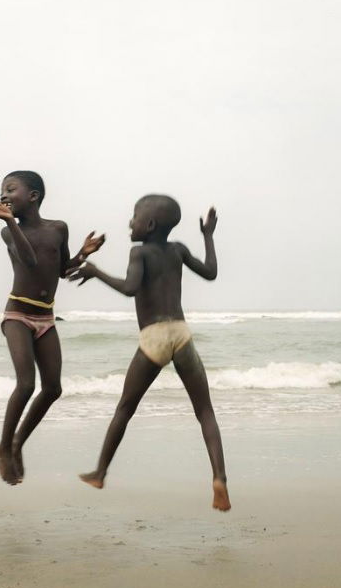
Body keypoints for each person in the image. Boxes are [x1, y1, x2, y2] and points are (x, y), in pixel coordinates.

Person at [67, 195, 230, 511]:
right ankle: (219, 479)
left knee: (125, 408)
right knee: (205, 411)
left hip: (154, 337)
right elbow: (210, 272)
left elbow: (130, 288)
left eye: (135, 216)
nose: (130, 221)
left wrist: (96, 272)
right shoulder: (179, 250)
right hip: (181, 334)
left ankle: (100, 472)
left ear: (150, 224)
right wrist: (208, 236)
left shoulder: (138, 252)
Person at [0, 170, 104, 485]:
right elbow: (30, 261)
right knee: (25, 385)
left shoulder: (58, 228)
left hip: (46, 318)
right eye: (2, 190)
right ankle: (4, 447)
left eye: (11, 189)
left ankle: (20, 442)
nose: (4, 195)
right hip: (17, 316)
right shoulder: (9, 233)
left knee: (53, 389)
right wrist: (9, 221)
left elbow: (60, 269)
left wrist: (82, 255)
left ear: (33, 196)